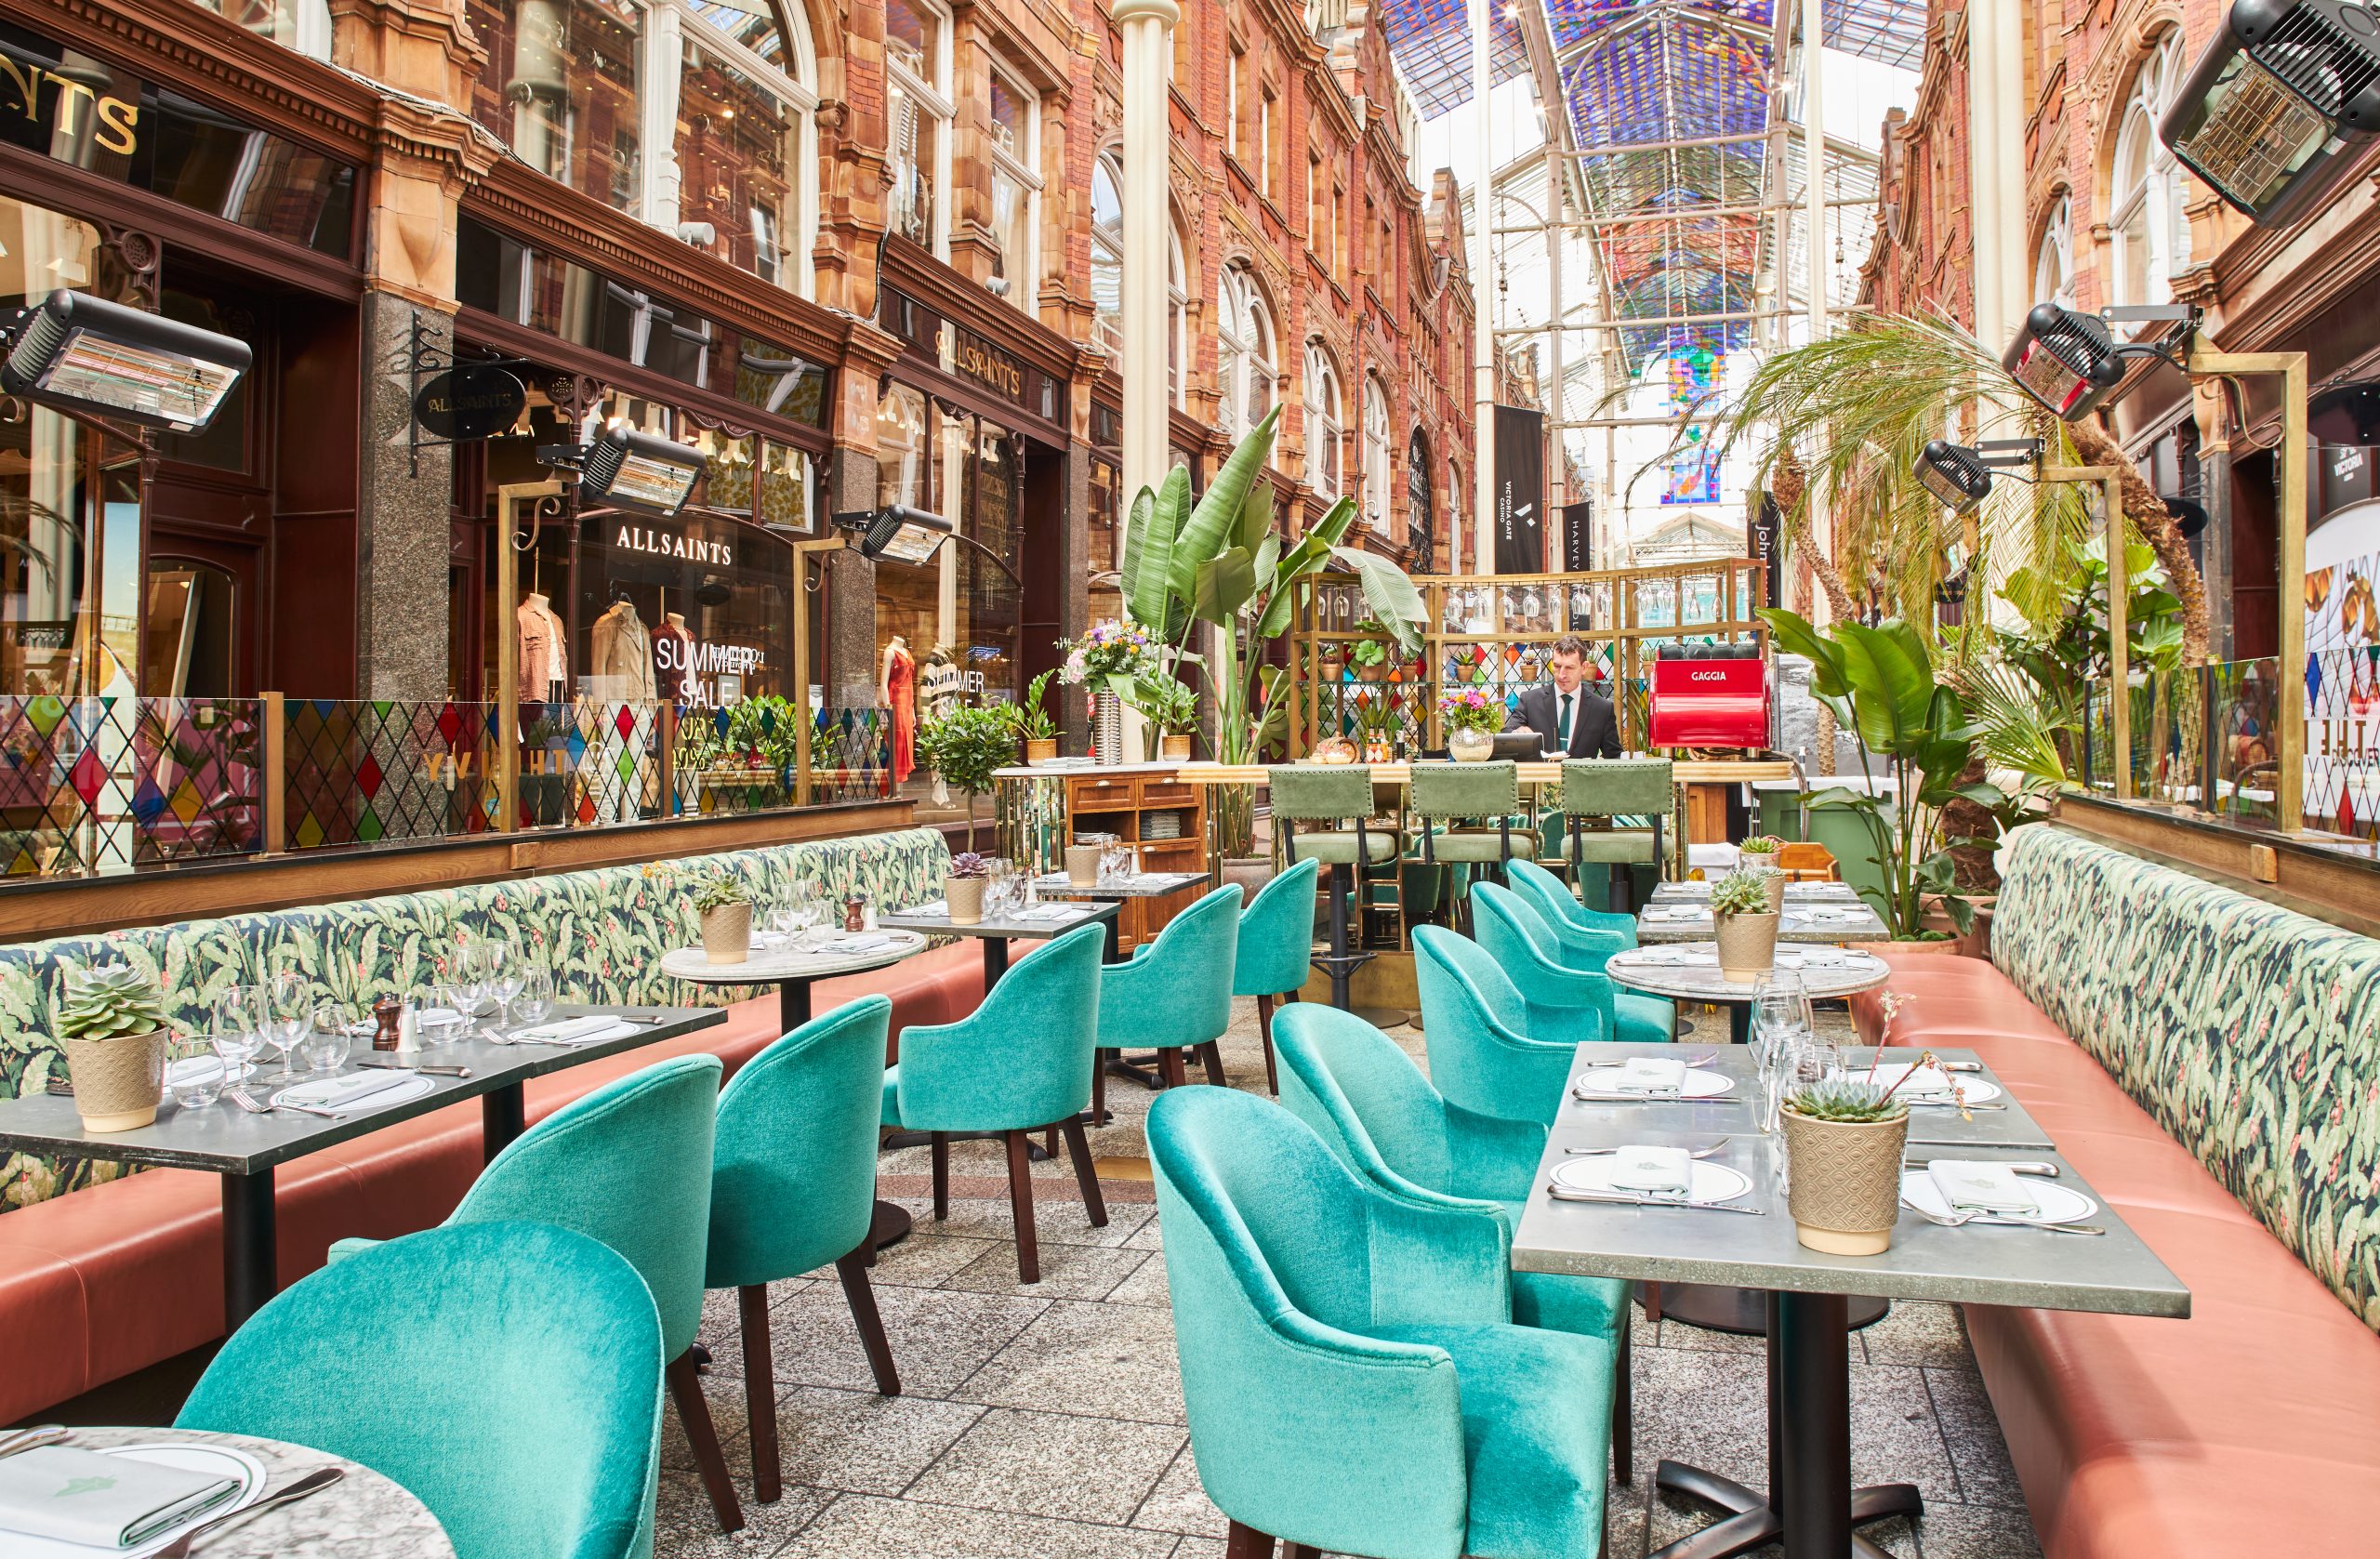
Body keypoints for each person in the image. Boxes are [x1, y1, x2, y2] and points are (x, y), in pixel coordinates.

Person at [1503, 635, 1620, 758]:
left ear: (1584, 667)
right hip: (1540, 770)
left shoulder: (1602, 709)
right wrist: (1516, 732)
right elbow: (1506, 736)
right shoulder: (1530, 701)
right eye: (1557, 666)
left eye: (1569, 668)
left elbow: (1614, 756)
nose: (1561, 675)